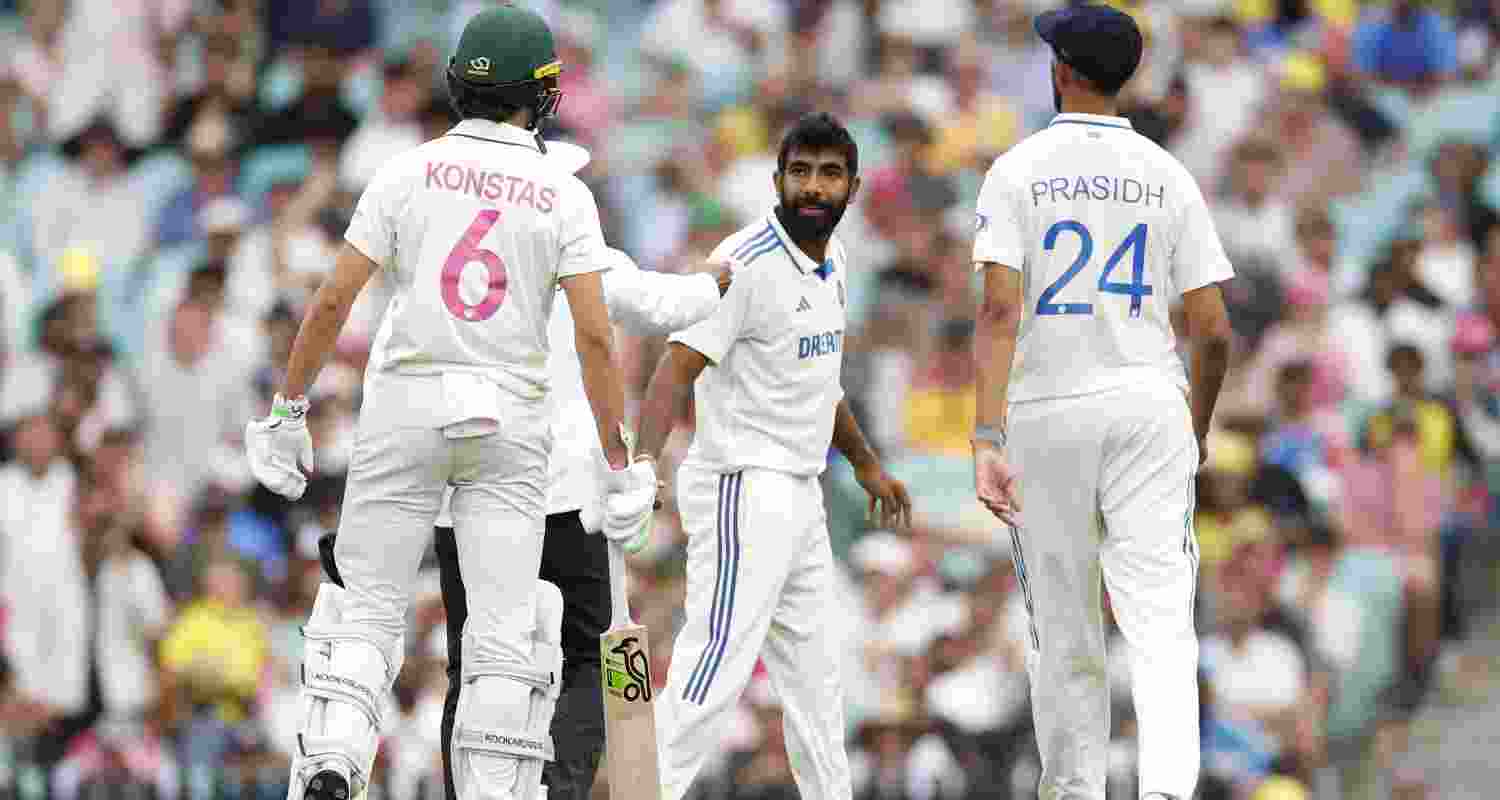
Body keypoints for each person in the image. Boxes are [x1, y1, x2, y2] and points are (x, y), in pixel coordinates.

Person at [242, 8, 658, 800]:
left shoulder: (404, 171)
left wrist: (287, 409)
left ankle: (332, 760)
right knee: (502, 638)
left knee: (364, 606)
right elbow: (599, 341)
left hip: (404, 406)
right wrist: (621, 460)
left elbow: (332, 301)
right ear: (540, 95)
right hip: (509, 424)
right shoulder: (562, 193)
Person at [969, 7, 1236, 800]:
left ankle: (1075, 790)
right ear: (1127, 79)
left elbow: (996, 312)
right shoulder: (1168, 174)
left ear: (1061, 72)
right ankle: (1164, 790)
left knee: (1064, 627)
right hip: (1149, 402)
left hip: (1048, 409)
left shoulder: (1016, 170)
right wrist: (1195, 426)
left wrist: (986, 435)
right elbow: (1214, 332)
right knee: (1160, 619)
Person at [633, 112, 914, 800]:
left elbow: (820, 383)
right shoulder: (744, 263)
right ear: (777, 179)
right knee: (714, 668)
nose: (813, 187)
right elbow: (674, 369)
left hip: (801, 488)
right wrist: (641, 466)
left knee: (817, 683)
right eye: (800, 172)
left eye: (829, 173)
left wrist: (866, 463)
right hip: (741, 485)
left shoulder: (835, 259)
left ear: (853, 185)